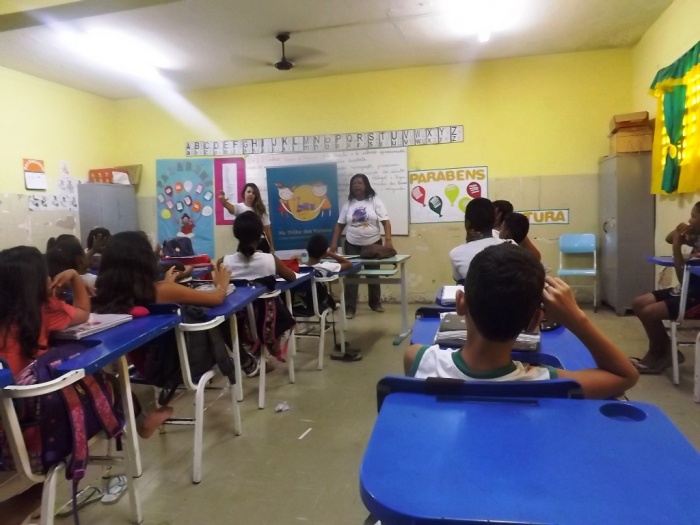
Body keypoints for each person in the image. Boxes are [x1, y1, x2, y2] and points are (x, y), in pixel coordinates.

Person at [405, 244, 639, 399]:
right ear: (535, 321)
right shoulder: (550, 383)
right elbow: (625, 376)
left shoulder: (417, 359)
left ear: (460, 303)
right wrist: (576, 317)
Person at [92, 231, 232, 434]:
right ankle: (245, 361)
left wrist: (168, 285)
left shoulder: (106, 297)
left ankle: (140, 419)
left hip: (138, 366)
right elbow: (217, 299)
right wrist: (222, 283)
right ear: (144, 261)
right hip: (174, 367)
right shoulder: (159, 291)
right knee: (214, 319)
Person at [0, 246, 91, 525]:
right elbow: (84, 313)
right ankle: (32, 497)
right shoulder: (45, 308)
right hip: (23, 421)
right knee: (97, 388)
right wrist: (74, 278)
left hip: (6, 409)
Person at [221, 211, 296, 373]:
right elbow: (292, 277)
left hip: (237, 325)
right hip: (266, 324)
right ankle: (265, 354)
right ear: (260, 235)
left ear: (236, 234)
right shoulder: (270, 260)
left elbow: (219, 289)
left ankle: (249, 357)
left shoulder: (224, 262)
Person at [631, 201, 700, 374]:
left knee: (649, 312)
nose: (689, 220)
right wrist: (679, 232)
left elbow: (682, 277)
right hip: (687, 289)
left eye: (693, 216)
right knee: (639, 303)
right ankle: (666, 351)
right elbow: (669, 238)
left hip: (696, 296)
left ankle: (657, 353)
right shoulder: (697, 236)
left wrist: (677, 245)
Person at [330, 173, 393, 318]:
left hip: (373, 244)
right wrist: (333, 244)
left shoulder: (374, 201)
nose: (356, 186)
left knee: (373, 275)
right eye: (354, 184)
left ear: (366, 185)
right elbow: (339, 225)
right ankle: (350, 308)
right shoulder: (349, 204)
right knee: (351, 276)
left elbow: (386, 222)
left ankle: (375, 303)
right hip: (352, 244)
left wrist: (388, 240)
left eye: (359, 183)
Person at [449, 198, 512, 283]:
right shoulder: (511, 246)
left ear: (467, 223)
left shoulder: (456, 254)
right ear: (495, 220)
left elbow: (460, 281)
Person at [218, 183, 275, 253]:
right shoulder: (240, 207)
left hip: (261, 243)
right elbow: (230, 207)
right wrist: (223, 202)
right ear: (244, 193)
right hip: (244, 244)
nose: (251, 194)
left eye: (253, 193)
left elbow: (267, 229)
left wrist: (271, 245)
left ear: (256, 196)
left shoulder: (260, 210)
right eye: (248, 192)